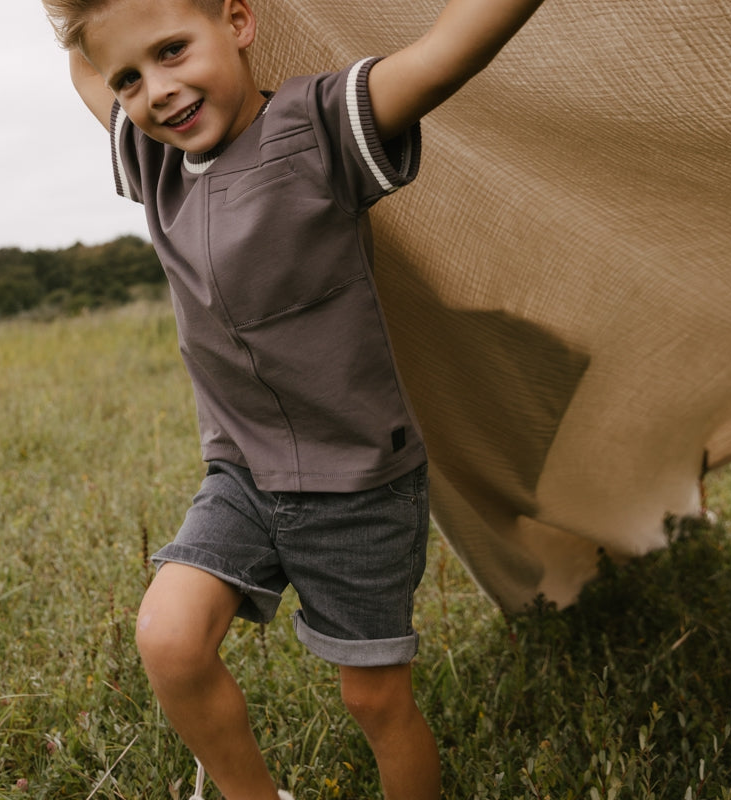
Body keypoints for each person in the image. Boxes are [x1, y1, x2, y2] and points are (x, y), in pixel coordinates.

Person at [40, 0, 545, 797]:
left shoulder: (321, 127)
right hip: (242, 476)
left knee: (374, 700)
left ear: (239, 22)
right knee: (169, 640)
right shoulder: (153, 159)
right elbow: (82, 56)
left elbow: (450, 50)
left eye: (173, 51)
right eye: (129, 79)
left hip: (359, 487)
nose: (156, 90)